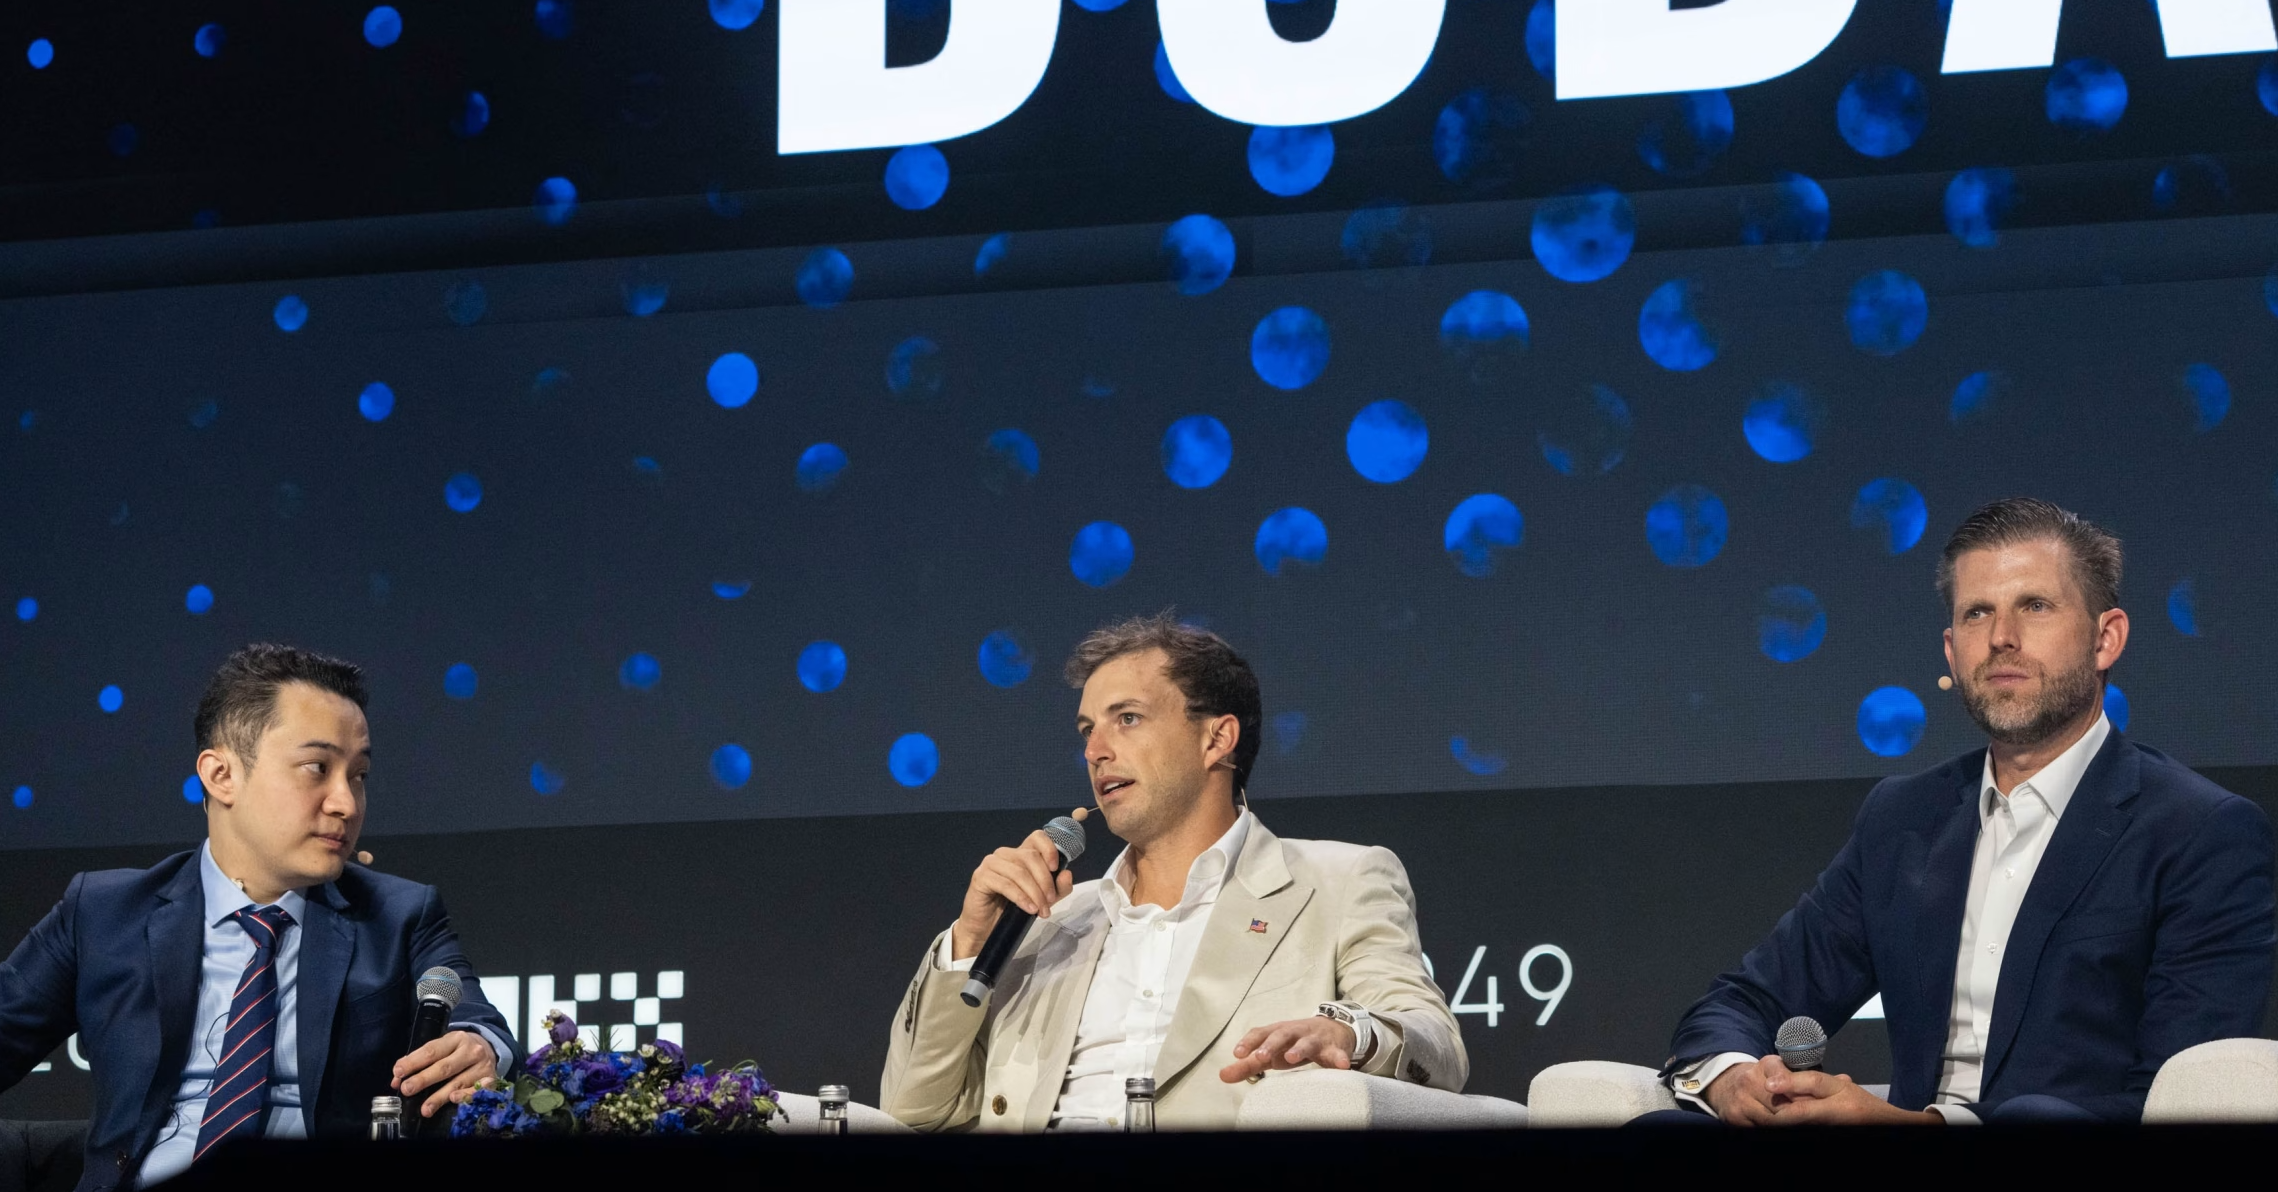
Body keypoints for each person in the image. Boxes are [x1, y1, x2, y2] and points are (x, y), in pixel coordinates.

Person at [1657, 498, 2274, 1124]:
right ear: (1952, 653)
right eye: (1978, 613)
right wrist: (1732, 1078)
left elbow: (2178, 1097)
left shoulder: (2202, 832)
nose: (2002, 637)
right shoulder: (1903, 817)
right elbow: (1744, 1002)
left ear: (2105, 638)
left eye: (2035, 606)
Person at [881, 614, 1464, 1131]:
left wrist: (1349, 1033)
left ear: (1217, 738)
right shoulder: (1050, 919)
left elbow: (1436, 1046)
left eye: (1127, 718)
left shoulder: (1338, 880)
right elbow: (913, 1110)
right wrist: (970, 939)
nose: (1095, 751)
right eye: (1087, 730)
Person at [0, 645, 517, 1189]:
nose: (346, 803)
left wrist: (480, 1045)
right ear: (221, 774)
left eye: (359, 775)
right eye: (317, 769)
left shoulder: (400, 915)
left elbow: (479, 1021)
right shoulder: (104, 912)